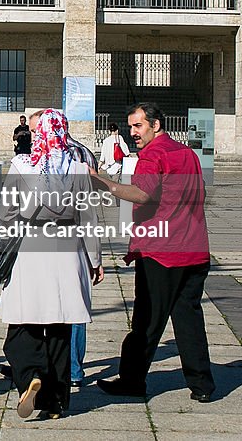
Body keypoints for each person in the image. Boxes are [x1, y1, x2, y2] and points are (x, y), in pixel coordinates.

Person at [90, 102, 215, 403]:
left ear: (156, 125)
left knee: (147, 320)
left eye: (138, 125)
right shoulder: (186, 153)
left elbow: (142, 194)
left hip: (162, 252)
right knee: (188, 318)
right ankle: (202, 385)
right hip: (195, 250)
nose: (132, 132)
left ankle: (132, 380)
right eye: (131, 126)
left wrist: (102, 182)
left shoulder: (153, 155)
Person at [0, 108, 103, 419]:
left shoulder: (22, 165)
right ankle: (56, 401)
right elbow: (89, 218)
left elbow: (6, 213)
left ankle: (31, 373)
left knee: (22, 324)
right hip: (68, 251)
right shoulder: (79, 170)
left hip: (31, 247)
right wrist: (95, 260)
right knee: (60, 329)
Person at [26, 108, 96, 388]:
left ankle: (41, 367)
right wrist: (95, 258)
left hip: (38, 247)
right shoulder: (82, 159)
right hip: (72, 247)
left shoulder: (32, 163)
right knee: (74, 308)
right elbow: (89, 214)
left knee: (41, 309)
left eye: (35, 131)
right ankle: (73, 370)